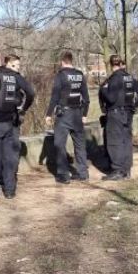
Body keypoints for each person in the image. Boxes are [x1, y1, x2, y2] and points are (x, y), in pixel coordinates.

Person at [0, 52, 35, 199]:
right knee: (10, 157)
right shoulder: (14, 76)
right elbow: (30, 93)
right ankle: (9, 191)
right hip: (11, 122)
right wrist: (23, 109)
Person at [99, 55, 138, 181]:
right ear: (120, 63)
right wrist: (134, 105)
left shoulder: (114, 78)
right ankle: (126, 170)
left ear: (110, 64)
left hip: (116, 114)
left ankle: (117, 170)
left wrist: (103, 90)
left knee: (115, 142)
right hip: (128, 113)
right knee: (126, 141)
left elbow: (111, 98)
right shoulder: (128, 77)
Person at [45, 51, 90, 184]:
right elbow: (86, 98)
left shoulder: (61, 75)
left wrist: (48, 114)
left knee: (60, 144)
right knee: (80, 145)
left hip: (63, 115)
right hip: (77, 114)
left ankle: (63, 175)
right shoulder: (80, 75)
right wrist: (85, 114)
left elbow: (54, 97)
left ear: (62, 62)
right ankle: (83, 173)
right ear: (72, 61)